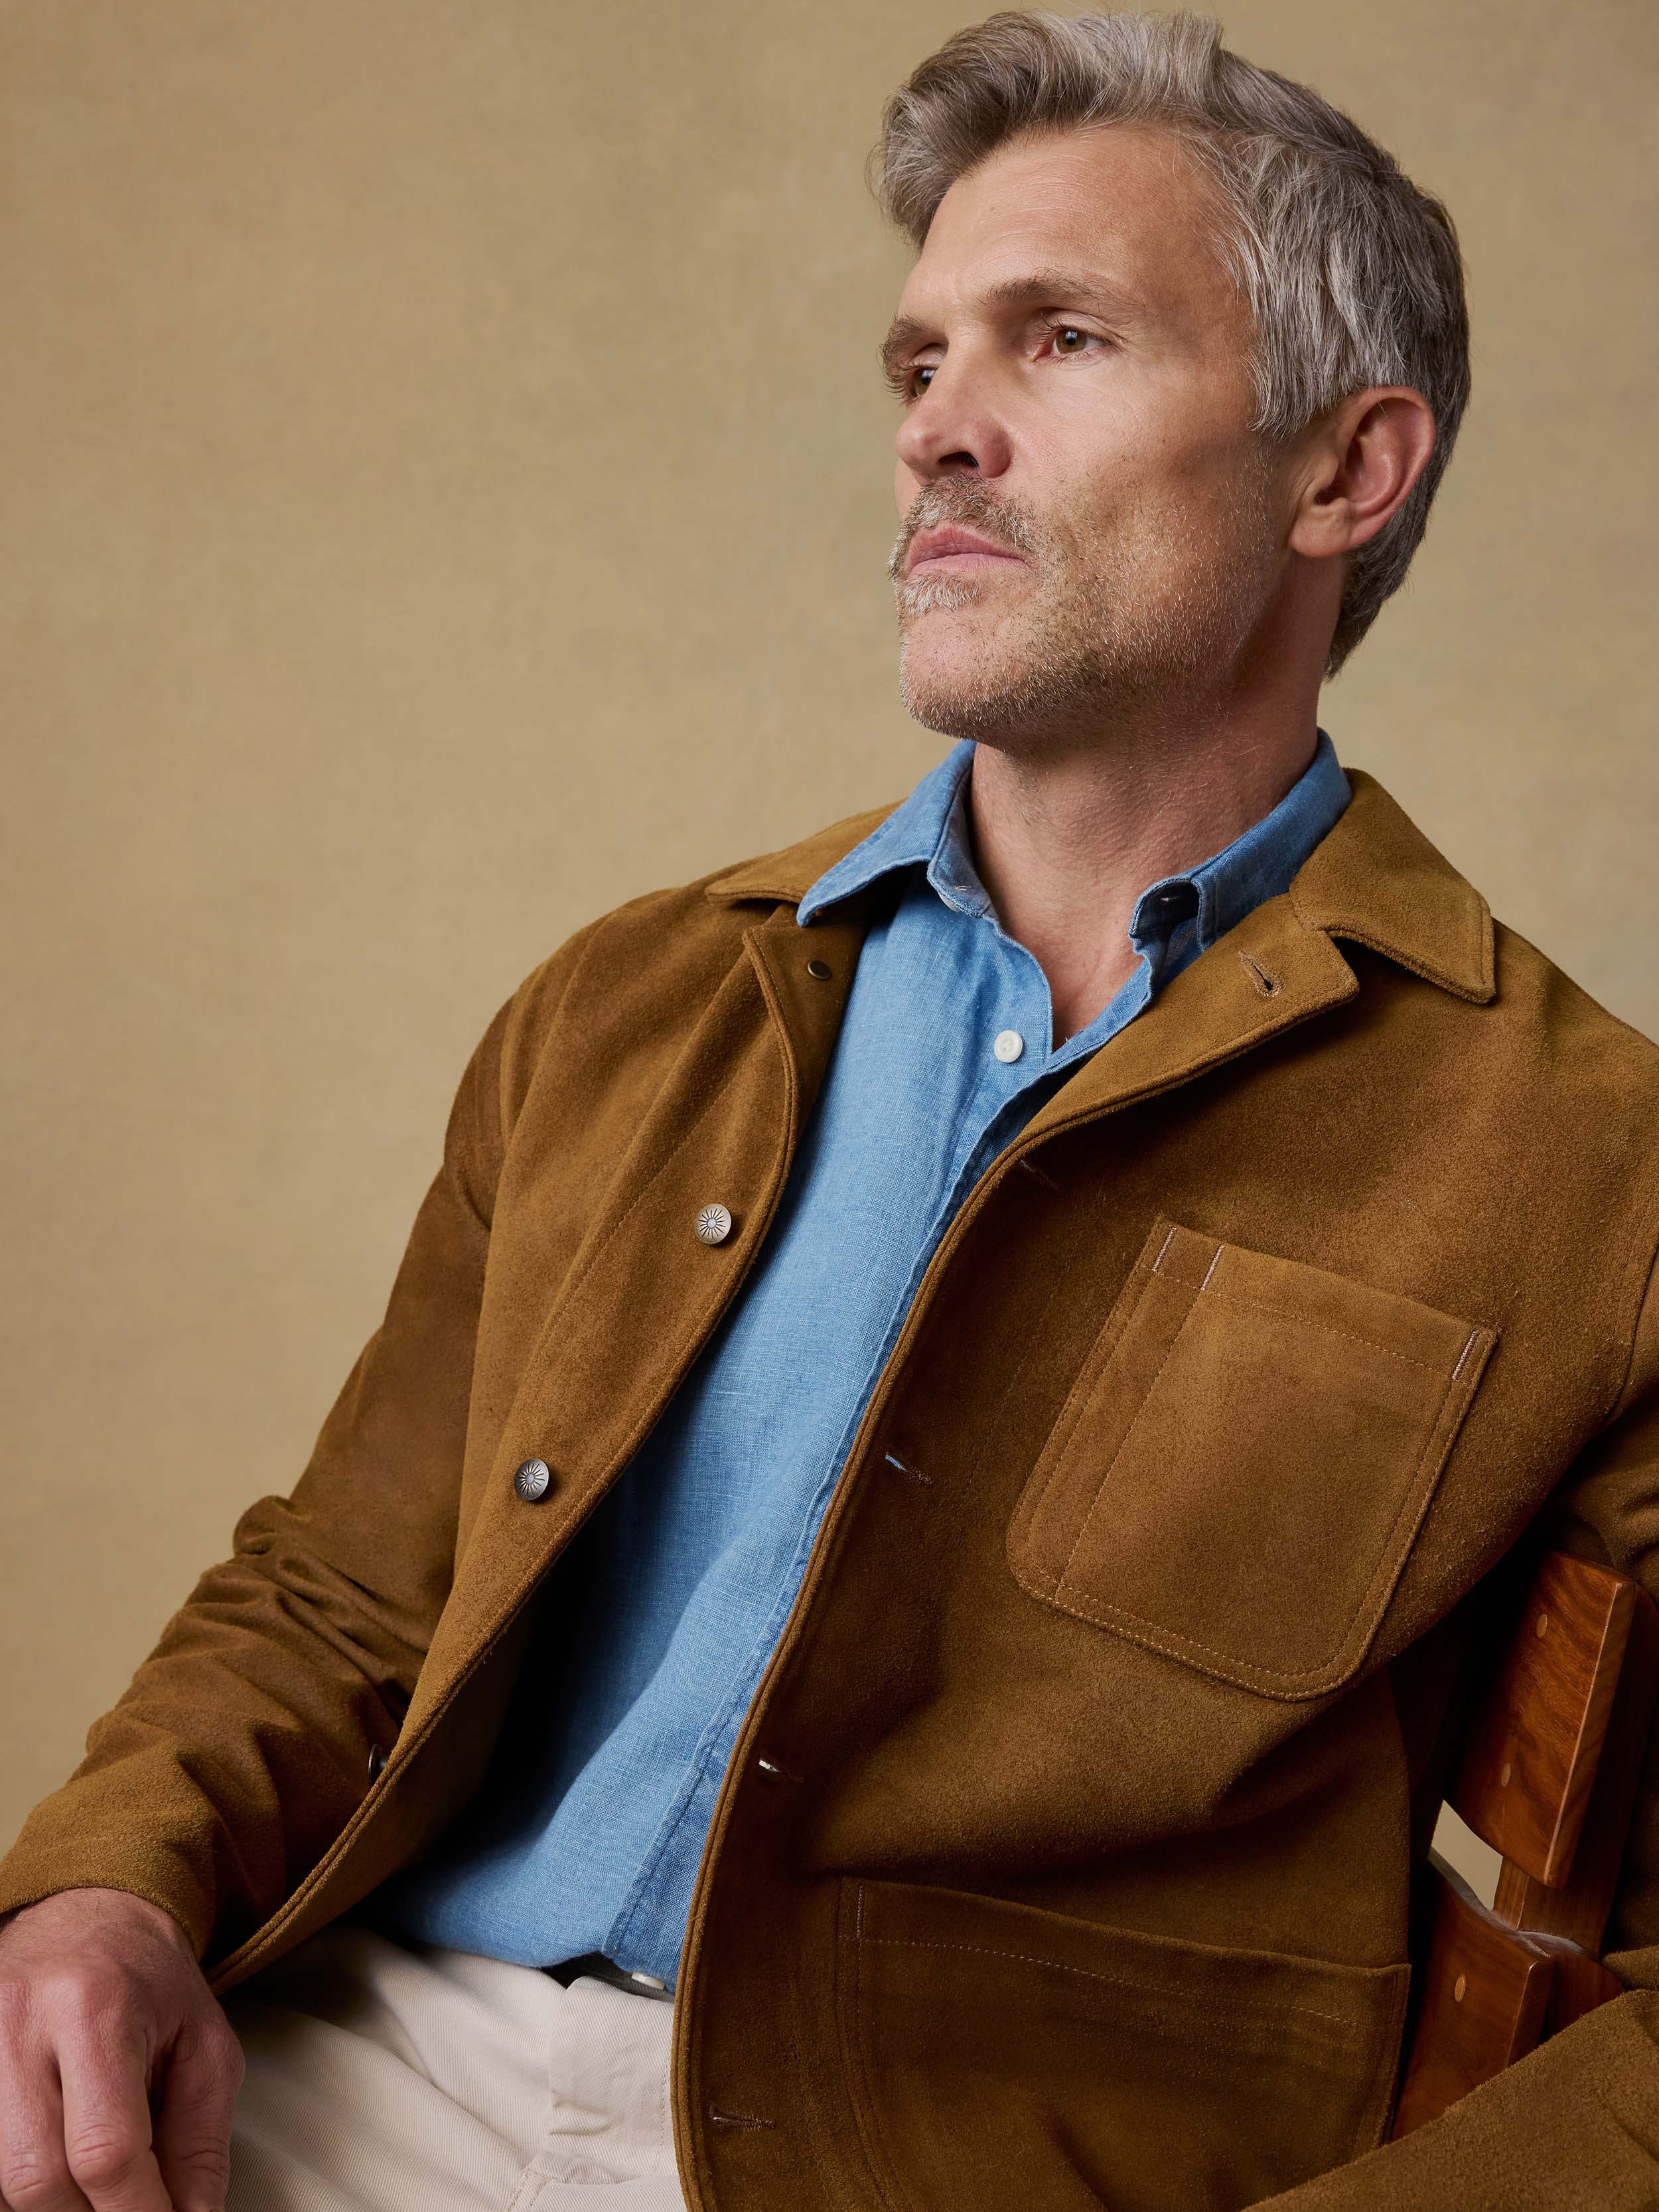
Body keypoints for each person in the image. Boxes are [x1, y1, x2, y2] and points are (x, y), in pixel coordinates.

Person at [3, 9, 1656, 2209]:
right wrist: (103, 1891)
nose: (936, 432)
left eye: (1059, 340)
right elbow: (341, 1596)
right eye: (916, 362)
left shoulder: (1587, 1171)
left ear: (1344, 472)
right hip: (362, 2057)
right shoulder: (636, 1003)